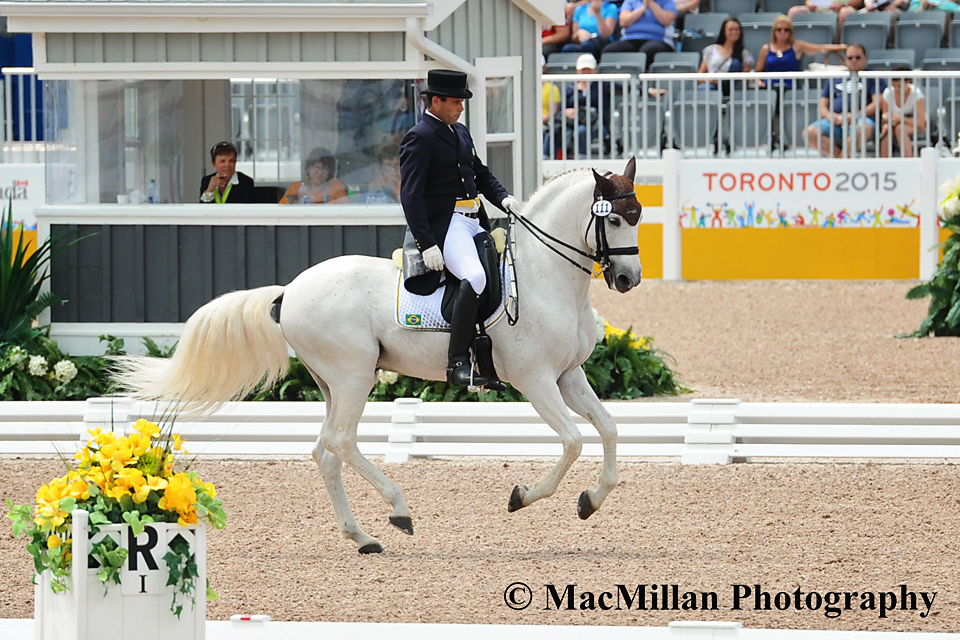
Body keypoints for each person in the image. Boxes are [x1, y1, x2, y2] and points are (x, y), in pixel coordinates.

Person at [399, 69, 521, 387]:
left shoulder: (460, 132)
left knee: (502, 277)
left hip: (473, 220)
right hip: (447, 224)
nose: (461, 108)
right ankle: (456, 364)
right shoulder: (419, 136)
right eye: (455, 102)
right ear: (435, 101)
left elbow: (480, 173)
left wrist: (504, 198)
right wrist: (427, 244)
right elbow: (410, 196)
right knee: (475, 277)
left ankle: (486, 358)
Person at [804, 43, 885, 157]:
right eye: (850, 58)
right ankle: (841, 160)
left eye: (858, 57)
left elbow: (877, 104)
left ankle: (840, 164)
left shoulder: (873, 77)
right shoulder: (835, 78)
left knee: (862, 129)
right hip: (835, 120)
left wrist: (854, 116)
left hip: (862, 120)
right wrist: (830, 116)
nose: (854, 60)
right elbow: (822, 106)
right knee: (809, 133)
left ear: (865, 58)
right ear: (845, 60)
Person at [544, 54, 615, 159]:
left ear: (595, 70)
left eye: (589, 69)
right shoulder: (570, 89)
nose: (586, 72)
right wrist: (566, 112)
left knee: (581, 131)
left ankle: (581, 161)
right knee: (554, 130)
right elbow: (560, 111)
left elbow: (625, 87)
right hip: (571, 124)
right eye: (583, 69)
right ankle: (546, 161)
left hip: (595, 125)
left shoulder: (602, 85)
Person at [601, 0, 677, 68]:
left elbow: (666, 20)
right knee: (609, 51)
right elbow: (623, 21)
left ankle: (644, 81)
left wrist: (651, 3)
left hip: (658, 40)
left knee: (648, 51)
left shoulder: (667, 2)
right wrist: (643, 7)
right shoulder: (630, 2)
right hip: (630, 39)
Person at [877, 64, 926, 157]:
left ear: (908, 82)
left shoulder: (916, 94)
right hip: (895, 125)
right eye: (894, 86)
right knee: (886, 129)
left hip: (914, 125)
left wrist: (902, 119)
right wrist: (887, 118)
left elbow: (921, 123)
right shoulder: (888, 93)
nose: (896, 89)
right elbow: (885, 115)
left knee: (900, 129)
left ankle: (908, 161)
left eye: (899, 86)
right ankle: (884, 161)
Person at [698, 18, 755, 88]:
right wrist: (710, 80)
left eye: (737, 29)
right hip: (713, 84)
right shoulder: (711, 49)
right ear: (724, 31)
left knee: (736, 63)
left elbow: (745, 79)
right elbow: (700, 75)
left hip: (730, 86)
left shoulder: (744, 53)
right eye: (730, 30)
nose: (734, 32)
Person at [279, 148, 348, 204]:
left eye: (325, 168)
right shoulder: (296, 188)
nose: (320, 173)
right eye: (317, 167)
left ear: (330, 171)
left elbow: (345, 212)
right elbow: (282, 211)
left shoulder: (336, 187)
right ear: (308, 168)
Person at [788, 0, 864, 40]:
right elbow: (809, 3)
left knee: (845, 12)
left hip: (843, 7)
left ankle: (838, 46)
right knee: (794, 12)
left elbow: (858, 1)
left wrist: (843, 4)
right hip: (820, 7)